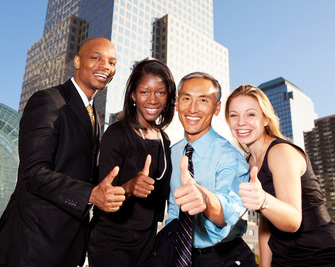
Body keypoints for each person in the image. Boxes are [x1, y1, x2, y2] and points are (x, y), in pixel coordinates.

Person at [0, 38, 126, 267]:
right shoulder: (47, 101)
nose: (106, 67)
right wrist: (90, 195)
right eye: (96, 58)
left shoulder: (94, 116)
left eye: (112, 62)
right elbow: (34, 172)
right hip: (32, 244)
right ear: (77, 61)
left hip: (69, 244)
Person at [225, 85, 335, 267]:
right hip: (283, 256)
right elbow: (266, 224)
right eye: (233, 115)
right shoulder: (250, 162)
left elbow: (293, 221)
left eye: (250, 114)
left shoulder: (281, 152)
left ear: (266, 119)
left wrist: (262, 200)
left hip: (320, 254)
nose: (240, 122)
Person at [88, 59, 176, 267]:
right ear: (133, 95)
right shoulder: (117, 134)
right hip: (111, 243)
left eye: (160, 92)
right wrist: (129, 187)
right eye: (145, 92)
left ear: (168, 97)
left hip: (147, 245)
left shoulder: (164, 141)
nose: (152, 100)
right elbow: (104, 195)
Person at [167, 72, 256, 267]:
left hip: (224, 258)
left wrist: (205, 200)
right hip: (179, 254)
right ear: (176, 103)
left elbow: (227, 212)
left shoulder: (230, 157)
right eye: (186, 98)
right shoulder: (172, 153)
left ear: (216, 108)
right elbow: (173, 210)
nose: (192, 108)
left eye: (203, 100)